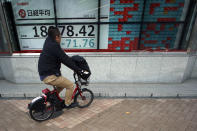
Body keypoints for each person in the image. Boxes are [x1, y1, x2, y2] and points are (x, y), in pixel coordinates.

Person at [38, 26, 83, 109]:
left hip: (44, 73)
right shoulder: (54, 46)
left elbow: (63, 57)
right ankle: (67, 104)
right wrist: (78, 70)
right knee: (70, 85)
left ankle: (52, 98)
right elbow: (65, 59)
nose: (61, 39)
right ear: (56, 37)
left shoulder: (48, 41)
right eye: (60, 37)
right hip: (50, 76)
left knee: (61, 85)